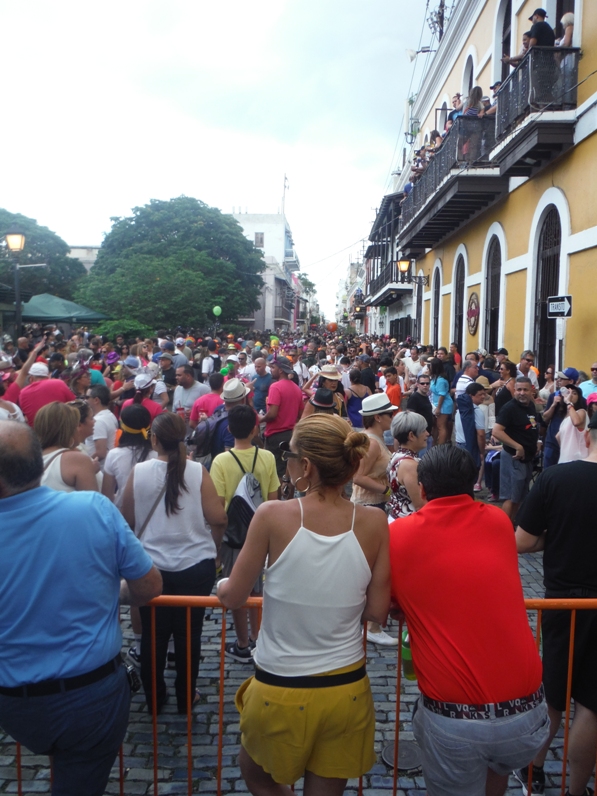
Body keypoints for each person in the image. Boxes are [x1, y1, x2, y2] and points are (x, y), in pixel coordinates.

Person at [217, 414, 391, 795]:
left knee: (257, 773)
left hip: (279, 687)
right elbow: (377, 613)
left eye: (289, 453)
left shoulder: (272, 516)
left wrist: (221, 584)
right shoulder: (375, 522)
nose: (286, 461)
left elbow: (234, 595)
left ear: (306, 466)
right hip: (346, 688)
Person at [0, 421, 162, 796]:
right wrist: (113, 591)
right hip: (92, 697)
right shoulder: (93, 509)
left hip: (14, 699)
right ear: (39, 465)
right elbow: (150, 585)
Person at [389, 445, 549, 796]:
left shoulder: (399, 534)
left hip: (455, 721)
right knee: (496, 776)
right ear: (470, 486)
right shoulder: (497, 521)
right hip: (528, 715)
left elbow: (384, 603)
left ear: (424, 491)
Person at [121, 412, 227, 715]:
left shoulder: (139, 471)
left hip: (150, 567)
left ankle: (154, 698)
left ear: (154, 439)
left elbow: (127, 520)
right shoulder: (196, 471)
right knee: (189, 634)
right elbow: (218, 517)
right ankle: (185, 696)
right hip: (195, 565)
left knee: (153, 636)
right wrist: (215, 547)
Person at [514, 412, 597, 796]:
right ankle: (577, 789)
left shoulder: (555, 479)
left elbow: (523, 541)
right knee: (592, 707)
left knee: (553, 695)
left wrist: (557, 536)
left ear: (587, 436)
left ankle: (535, 767)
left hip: (565, 600)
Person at [210, 405, 279, 663]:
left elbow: (218, 506)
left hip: (234, 537)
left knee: (235, 587)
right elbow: (273, 499)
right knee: (259, 590)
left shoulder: (221, 461)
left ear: (229, 430)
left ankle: (241, 643)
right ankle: (258, 638)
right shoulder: (267, 457)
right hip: (261, 534)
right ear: (255, 428)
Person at [351, 393, 396, 647]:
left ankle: (370, 624)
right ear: (378, 417)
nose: (392, 416)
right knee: (372, 568)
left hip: (373, 505)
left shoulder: (375, 439)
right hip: (369, 505)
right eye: (389, 413)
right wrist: (387, 491)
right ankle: (371, 625)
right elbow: (358, 477)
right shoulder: (373, 442)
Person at [492, 377, 539, 521]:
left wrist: (536, 442)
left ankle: (512, 526)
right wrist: (517, 446)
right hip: (513, 458)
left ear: (531, 390)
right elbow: (496, 431)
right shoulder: (509, 408)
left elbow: (532, 426)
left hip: (527, 459)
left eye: (525, 389)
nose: (522, 393)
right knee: (511, 497)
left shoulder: (531, 405)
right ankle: (504, 530)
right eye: (519, 389)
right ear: (514, 391)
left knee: (519, 496)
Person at [35, 402, 100, 492]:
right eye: (76, 425)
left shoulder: (31, 458)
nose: (78, 429)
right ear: (69, 429)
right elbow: (93, 503)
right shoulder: (77, 459)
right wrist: (90, 472)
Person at [102, 404, 156, 509]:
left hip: (122, 514)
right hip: (153, 515)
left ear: (123, 426)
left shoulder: (114, 455)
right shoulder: (158, 453)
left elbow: (106, 495)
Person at [262, 357, 304, 480]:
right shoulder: (296, 388)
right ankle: (288, 497)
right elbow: (301, 414)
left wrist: (260, 419)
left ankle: (278, 498)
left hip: (276, 436)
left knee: (276, 474)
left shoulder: (275, 387)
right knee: (289, 472)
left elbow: (272, 414)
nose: (270, 370)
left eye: (273, 367)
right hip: (291, 435)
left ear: (280, 370)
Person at [387, 411, 429, 521]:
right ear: (411, 436)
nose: (427, 434)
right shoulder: (410, 465)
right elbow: (420, 505)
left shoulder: (397, 454)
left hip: (398, 519)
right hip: (407, 523)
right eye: (423, 430)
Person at [84, 384, 119, 470]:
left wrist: (83, 464)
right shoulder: (109, 415)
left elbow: (100, 453)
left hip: (99, 470)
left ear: (96, 400)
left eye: (87, 397)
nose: (84, 400)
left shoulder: (98, 421)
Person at [555, 385, 588, 464]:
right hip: (565, 459)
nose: (570, 395)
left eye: (574, 393)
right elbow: (558, 437)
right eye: (568, 392)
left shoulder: (581, 412)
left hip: (578, 460)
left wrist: (569, 403)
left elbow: (576, 422)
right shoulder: (566, 418)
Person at [429, 358, 453, 445]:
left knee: (441, 426)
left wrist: (438, 408)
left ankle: (440, 445)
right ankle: (434, 443)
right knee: (435, 426)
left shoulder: (441, 380)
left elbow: (442, 394)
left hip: (443, 405)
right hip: (436, 403)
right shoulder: (435, 378)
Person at [406, 373, 434, 448]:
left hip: (428, 434)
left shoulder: (425, 396)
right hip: (419, 436)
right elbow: (410, 417)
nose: (425, 385)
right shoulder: (414, 398)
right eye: (422, 383)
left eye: (427, 383)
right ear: (417, 384)